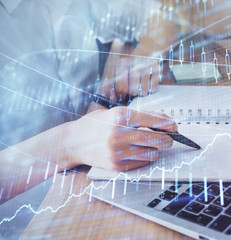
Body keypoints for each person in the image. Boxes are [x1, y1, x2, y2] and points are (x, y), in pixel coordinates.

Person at [0, 0, 180, 203]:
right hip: (27, 214)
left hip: (90, 177)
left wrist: (144, 55)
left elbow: (163, 16)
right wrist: (69, 143)